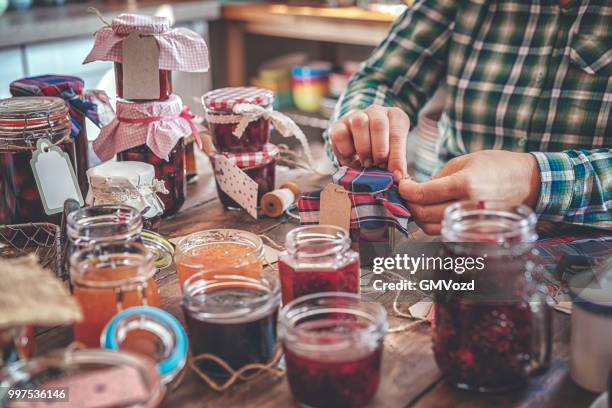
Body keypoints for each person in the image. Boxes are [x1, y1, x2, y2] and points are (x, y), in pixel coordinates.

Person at [326, 0, 611, 234]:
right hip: (450, 236)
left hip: (593, 250)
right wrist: (365, 119)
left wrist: (536, 181)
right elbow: (380, 80)